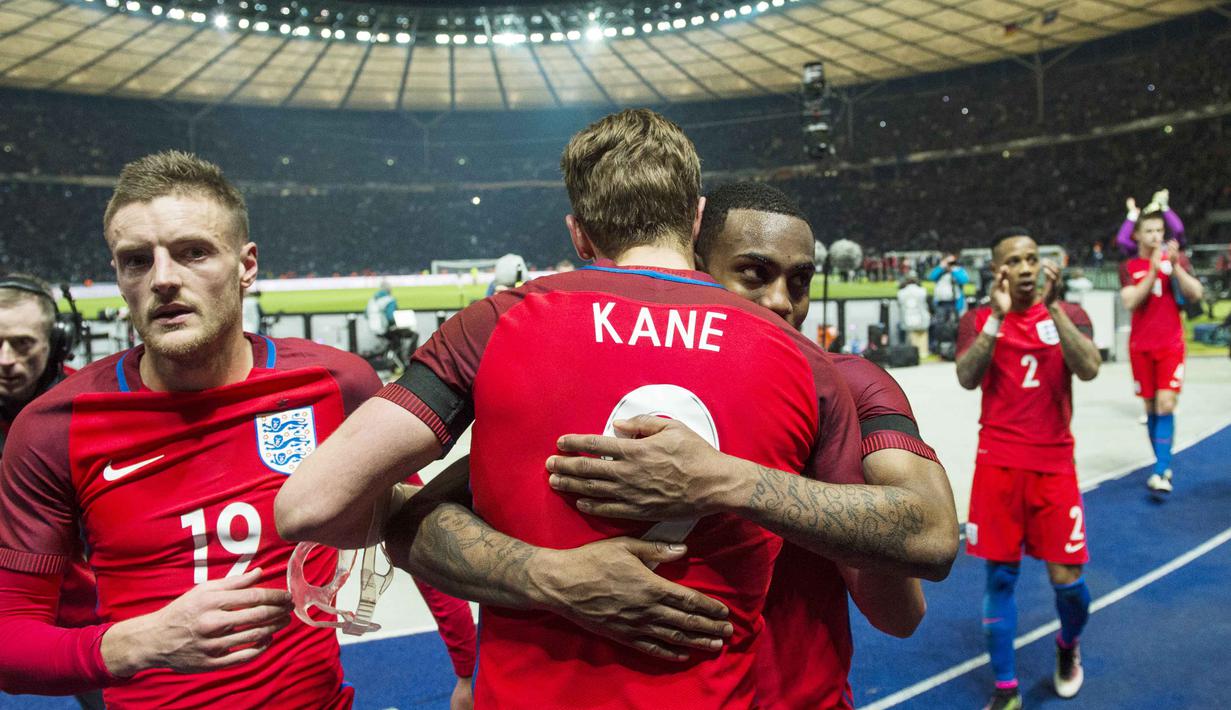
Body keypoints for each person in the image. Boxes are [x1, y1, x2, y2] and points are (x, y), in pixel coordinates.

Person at [276, 109, 866, 709]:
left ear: (579, 233)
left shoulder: (495, 325)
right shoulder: (799, 356)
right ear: (695, 219)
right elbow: (887, 568)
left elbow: (307, 507)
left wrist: (446, 525)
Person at [0, 151, 373, 708]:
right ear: (119, 278)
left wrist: (465, 667)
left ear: (247, 265)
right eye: (137, 261)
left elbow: (409, 521)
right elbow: (11, 640)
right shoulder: (52, 429)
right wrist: (140, 644)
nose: (164, 279)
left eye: (193, 252)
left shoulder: (337, 382)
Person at [955, 227, 1102, 710]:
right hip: (997, 467)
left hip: (1055, 466)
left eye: (1031, 259)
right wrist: (997, 319)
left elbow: (1089, 368)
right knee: (1000, 579)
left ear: (1042, 265)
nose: (1023, 269)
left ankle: (1067, 646)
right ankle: (1005, 690)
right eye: (1013, 262)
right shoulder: (979, 318)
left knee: (1070, 584)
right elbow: (967, 377)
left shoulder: (1070, 314)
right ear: (997, 270)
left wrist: (1055, 309)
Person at [0, 274, 103, 710]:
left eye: (23, 344)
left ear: (57, 343)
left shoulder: (95, 409)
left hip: (89, 623)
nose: (5, 359)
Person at [1118, 210, 1203, 495]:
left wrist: (1175, 267)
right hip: (1141, 347)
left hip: (1171, 344)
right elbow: (1130, 301)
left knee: (1166, 404)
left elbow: (1196, 294)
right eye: (1150, 231)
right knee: (1151, 407)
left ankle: (1161, 470)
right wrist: (1153, 271)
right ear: (1137, 236)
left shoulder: (1176, 262)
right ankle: (1161, 461)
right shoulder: (1129, 266)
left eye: (1159, 231)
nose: (1156, 236)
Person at [1114, 190, 1186, 256]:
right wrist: (1132, 216)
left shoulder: (1166, 250)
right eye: (1149, 231)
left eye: (1159, 230)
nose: (1154, 235)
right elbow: (1122, 240)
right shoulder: (1136, 251)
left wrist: (1165, 207)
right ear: (1137, 234)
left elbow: (1178, 230)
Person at [928, 253, 970, 356]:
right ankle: (938, 348)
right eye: (948, 261)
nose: (950, 264)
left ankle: (956, 347)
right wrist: (941, 267)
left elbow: (964, 280)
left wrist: (954, 270)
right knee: (939, 325)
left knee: (956, 326)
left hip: (955, 303)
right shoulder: (940, 272)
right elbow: (931, 277)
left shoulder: (958, 270)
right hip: (941, 303)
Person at [897, 276, 931, 359]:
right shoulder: (922, 291)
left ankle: (912, 354)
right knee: (922, 337)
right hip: (922, 318)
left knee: (911, 338)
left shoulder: (901, 293)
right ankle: (923, 353)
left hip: (907, 319)